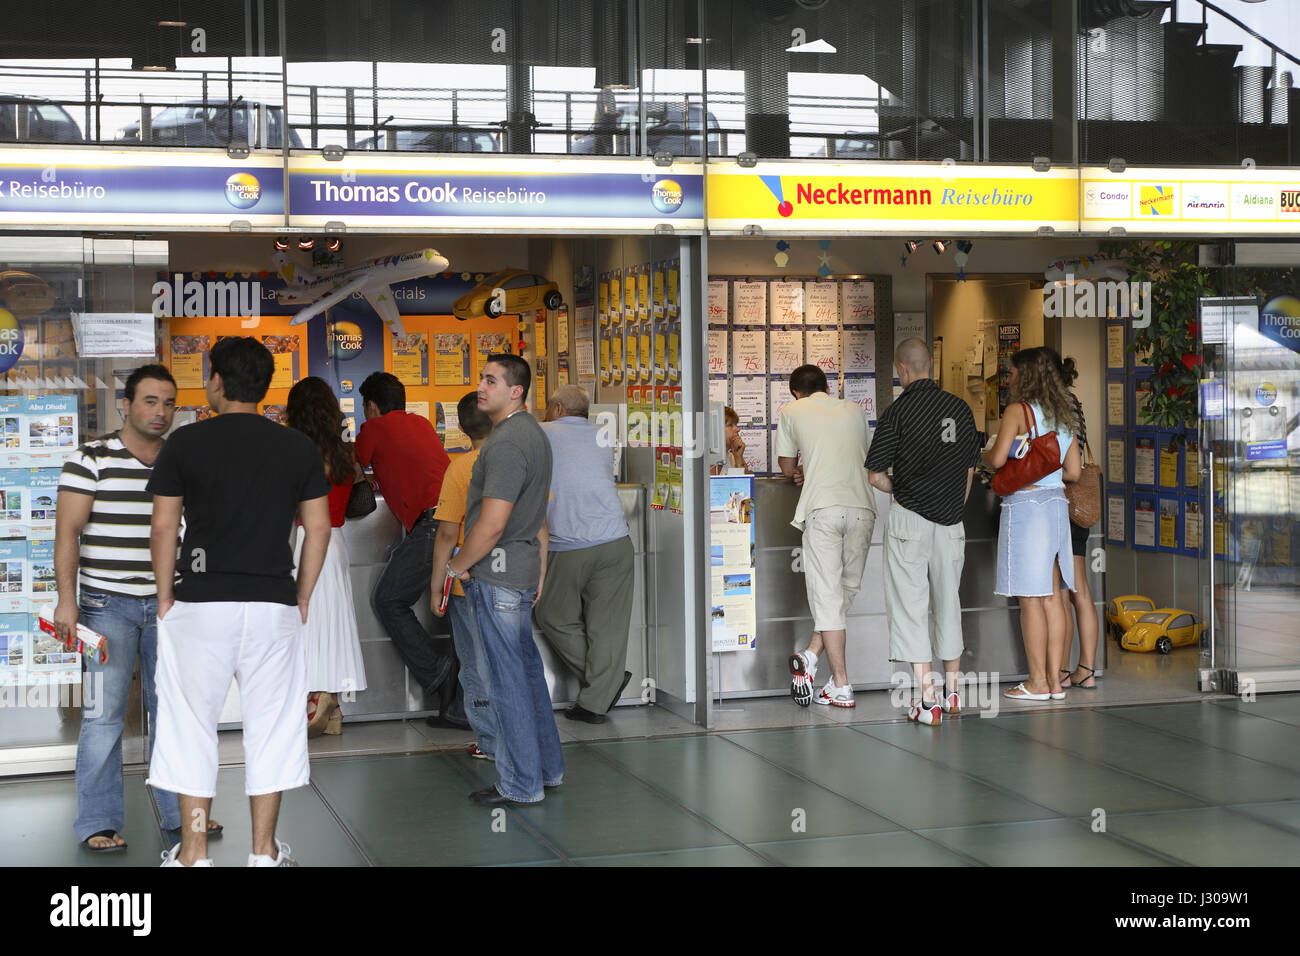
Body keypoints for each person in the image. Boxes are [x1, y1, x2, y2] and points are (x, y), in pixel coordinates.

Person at [147, 337, 331, 867]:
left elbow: (163, 529)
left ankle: (195, 853)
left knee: (191, 728)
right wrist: (300, 594)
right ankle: (263, 853)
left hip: (199, 606)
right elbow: (317, 530)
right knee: (272, 729)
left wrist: (166, 597)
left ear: (217, 382)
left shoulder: (185, 443)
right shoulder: (297, 447)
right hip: (273, 606)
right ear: (264, 385)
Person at [57, 364, 221, 851]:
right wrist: (67, 601)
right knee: (103, 716)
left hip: (171, 605)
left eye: (169, 402)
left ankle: (180, 815)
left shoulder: (184, 459)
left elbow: (202, 530)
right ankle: (97, 822)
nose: (161, 412)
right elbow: (67, 532)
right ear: (126, 405)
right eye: (150, 401)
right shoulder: (90, 458)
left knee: (173, 711)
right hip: (106, 604)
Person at [445, 353, 560, 806]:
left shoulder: (508, 444)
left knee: (505, 682)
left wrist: (457, 565)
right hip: (518, 571)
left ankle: (519, 784)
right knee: (527, 676)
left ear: (516, 391)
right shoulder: (532, 432)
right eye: (481, 378)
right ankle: (546, 770)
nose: (481, 386)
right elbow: (538, 521)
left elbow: (491, 524)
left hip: (498, 577)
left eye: (491, 380)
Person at [866, 339, 981, 725]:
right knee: (949, 602)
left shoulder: (898, 411)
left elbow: (875, 474)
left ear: (902, 369)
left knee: (911, 606)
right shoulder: (961, 409)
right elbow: (969, 473)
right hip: (951, 522)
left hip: (909, 521)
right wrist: (951, 507)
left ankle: (927, 700)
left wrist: (901, 489)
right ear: (930, 365)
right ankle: (953, 694)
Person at [355, 371, 459, 724]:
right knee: (457, 613)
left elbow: (349, 467)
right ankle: (454, 701)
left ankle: (438, 671)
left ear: (371, 406)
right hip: (457, 521)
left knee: (388, 599)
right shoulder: (422, 424)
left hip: (433, 525)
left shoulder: (374, 428)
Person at [982, 346, 1082, 702]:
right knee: (1054, 598)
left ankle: (1037, 681)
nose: (1007, 379)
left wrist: (983, 453)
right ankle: (1056, 681)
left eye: (1010, 373)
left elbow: (995, 458)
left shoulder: (1017, 411)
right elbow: (1073, 471)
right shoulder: (1064, 411)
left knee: (1031, 599)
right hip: (1057, 506)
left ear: (1025, 376)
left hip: (1027, 507)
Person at [774, 364, 877, 708]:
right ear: (827, 388)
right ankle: (811, 656)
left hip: (823, 510)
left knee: (830, 600)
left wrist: (803, 471)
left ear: (795, 392)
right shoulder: (854, 410)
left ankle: (842, 684)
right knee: (844, 593)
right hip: (863, 508)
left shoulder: (791, 411)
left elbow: (787, 469)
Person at [534, 384, 635, 724]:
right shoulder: (605, 436)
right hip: (616, 541)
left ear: (557, 409)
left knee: (551, 614)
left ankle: (602, 686)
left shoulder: (541, 431)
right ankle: (600, 693)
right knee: (607, 628)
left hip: (570, 542)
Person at [286, 376, 368, 737]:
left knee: (307, 624)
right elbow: (359, 493)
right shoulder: (344, 452)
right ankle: (333, 706)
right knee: (331, 623)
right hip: (336, 541)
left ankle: (313, 699)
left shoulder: (295, 452)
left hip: (305, 540)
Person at [430, 391, 500, 760]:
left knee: (475, 663)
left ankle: (489, 742)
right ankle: (518, 739)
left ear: (460, 426)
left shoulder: (460, 469)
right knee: (509, 659)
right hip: (511, 579)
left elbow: (445, 533)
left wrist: (436, 585)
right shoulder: (513, 460)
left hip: (466, 582)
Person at [1057, 356, 1100, 690]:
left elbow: (1063, 459)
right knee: (1079, 590)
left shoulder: (1057, 405)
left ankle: (1062, 669)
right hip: (1078, 505)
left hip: (1063, 501)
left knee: (1063, 591)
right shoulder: (1075, 403)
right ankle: (1086, 667)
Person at [709, 406, 749, 475]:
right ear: (715, 429)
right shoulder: (698, 459)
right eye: (730, 425)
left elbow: (743, 483)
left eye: (736, 425)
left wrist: (738, 457)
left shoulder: (732, 458)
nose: (738, 429)